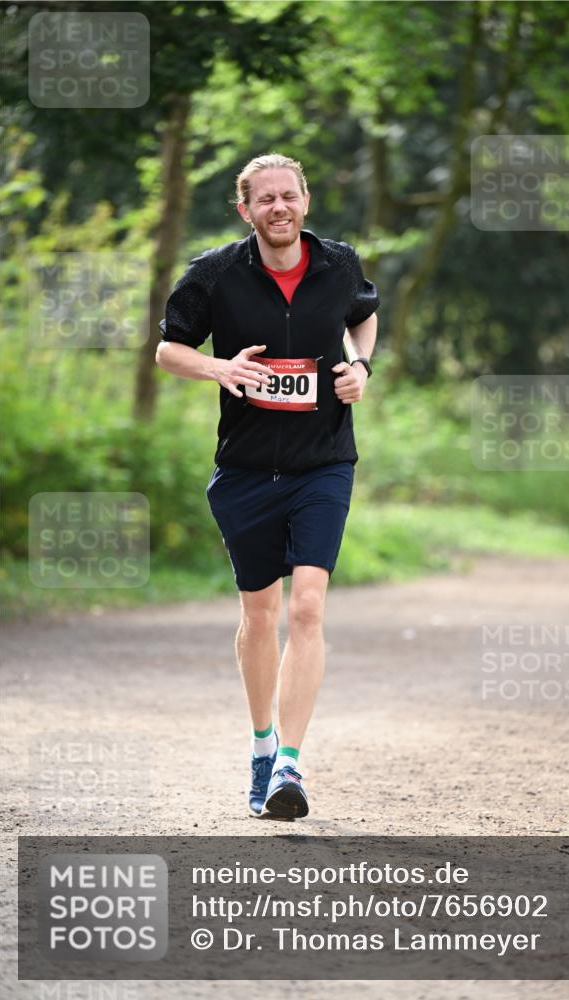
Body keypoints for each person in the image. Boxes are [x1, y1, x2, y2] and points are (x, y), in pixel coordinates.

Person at [156, 153, 378, 819]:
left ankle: (290, 764)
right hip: (246, 470)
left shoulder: (338, 263)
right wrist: (219, 368)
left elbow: (364, 315)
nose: (278, 207)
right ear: (245, 209)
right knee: (259, 615)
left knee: (306, 608)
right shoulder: (215, 273)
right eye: (265, 199)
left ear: (305, 200)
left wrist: (361, 367)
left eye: (288, 196)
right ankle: (261, 747)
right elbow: (168, 350)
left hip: (323, 463)